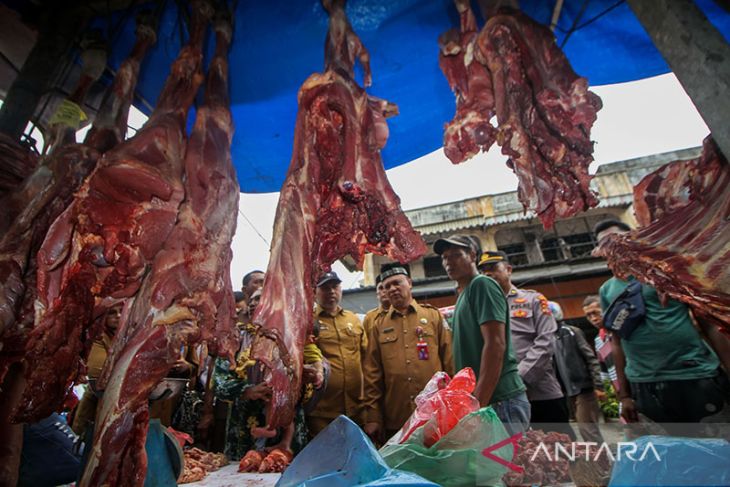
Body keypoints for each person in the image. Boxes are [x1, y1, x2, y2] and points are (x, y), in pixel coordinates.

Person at [594, 219, 727, 424]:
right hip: (645, 383)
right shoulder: (607, 290)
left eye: (616, 239)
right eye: (604, 243)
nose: (611, 247)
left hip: (697, 374)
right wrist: (625, 396)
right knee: (671, 451)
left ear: (633, 239)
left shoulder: (668, 272)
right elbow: (616, 342)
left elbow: (708, 325)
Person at [213, 288, 326, 459]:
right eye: (251, 299)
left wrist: (310, 377)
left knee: (285, 476)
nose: (252, 303)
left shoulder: (295, 338)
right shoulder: (235, 338)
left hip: (288, 429)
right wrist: (246, 390)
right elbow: (219, 382)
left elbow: (318, 376)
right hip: (244, 428)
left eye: (260, 298)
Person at [434, 235, 529, 435]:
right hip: (487, 402)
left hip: (500, 401)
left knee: (509, 464)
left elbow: (496, 345)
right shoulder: (463, 295)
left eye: (455, 255)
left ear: (472, 255)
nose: (448, 262)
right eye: (444, 257)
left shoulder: (482, 285)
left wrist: (478, 401)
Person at [478, 250, 572, 438]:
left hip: (541, 393)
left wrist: (520, 377)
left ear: (509, 269)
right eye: (483, 271)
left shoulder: (533, 300)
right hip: (502, 397)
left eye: (493, 268)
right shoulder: (481, 308)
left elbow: (546, 341)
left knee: (557, 449)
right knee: (516, 454)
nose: (488, 274)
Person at [362, 265, 454, 443]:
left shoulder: (433, 316)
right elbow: (372, 373)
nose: (392, 289)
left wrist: (453, 405)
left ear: (409, 283)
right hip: (397, 416)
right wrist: (373, 416)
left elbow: (449, 361)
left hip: (434, 412)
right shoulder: (378, 325)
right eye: (387, 286)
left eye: (397, 283)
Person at [307, 271, 368, 436]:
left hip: (357, 408)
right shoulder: (308, 320)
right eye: (325, 288)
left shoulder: (354, 319)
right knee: (326, 459)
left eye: (335, 286)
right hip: (322, 410)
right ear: (314, 292)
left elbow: (366, 359)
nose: (331, 292)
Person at [551, 301, 606, 443]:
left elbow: (591, 358)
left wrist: (598, 386)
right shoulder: (545, 337)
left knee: (587, 429)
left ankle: (602, 462)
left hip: (583, 388)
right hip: (564, 391)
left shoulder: (572, 332)